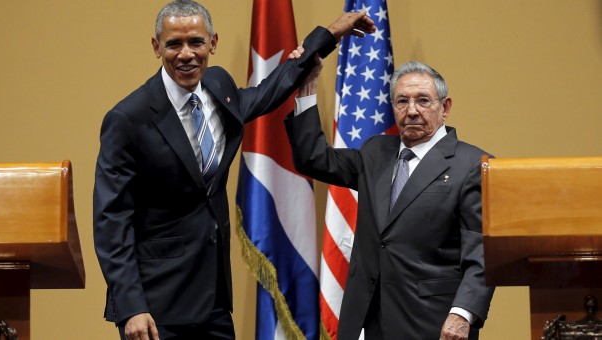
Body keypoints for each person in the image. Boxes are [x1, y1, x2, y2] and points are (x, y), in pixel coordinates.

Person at [92, 1, 375, 339]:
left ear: (212, 42)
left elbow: (269, 91)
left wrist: (327, 36)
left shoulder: (219, 88)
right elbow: (111, 221)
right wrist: (131, 307)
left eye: (196, 42)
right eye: (174, 44)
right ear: (156, 47)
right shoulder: (128, 119)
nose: (186, 54)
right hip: (156, 308)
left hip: (213, 301)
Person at [284, 58, 495, 339]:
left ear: (445, 108)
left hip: (433, 324)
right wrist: (308, 87)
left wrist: (463, 314)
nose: (412, 111)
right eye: (402, 101)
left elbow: (482, 253)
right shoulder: (375, 152)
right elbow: (314, 158)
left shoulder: (472, 164)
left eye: (423, 101)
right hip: (367, 322)